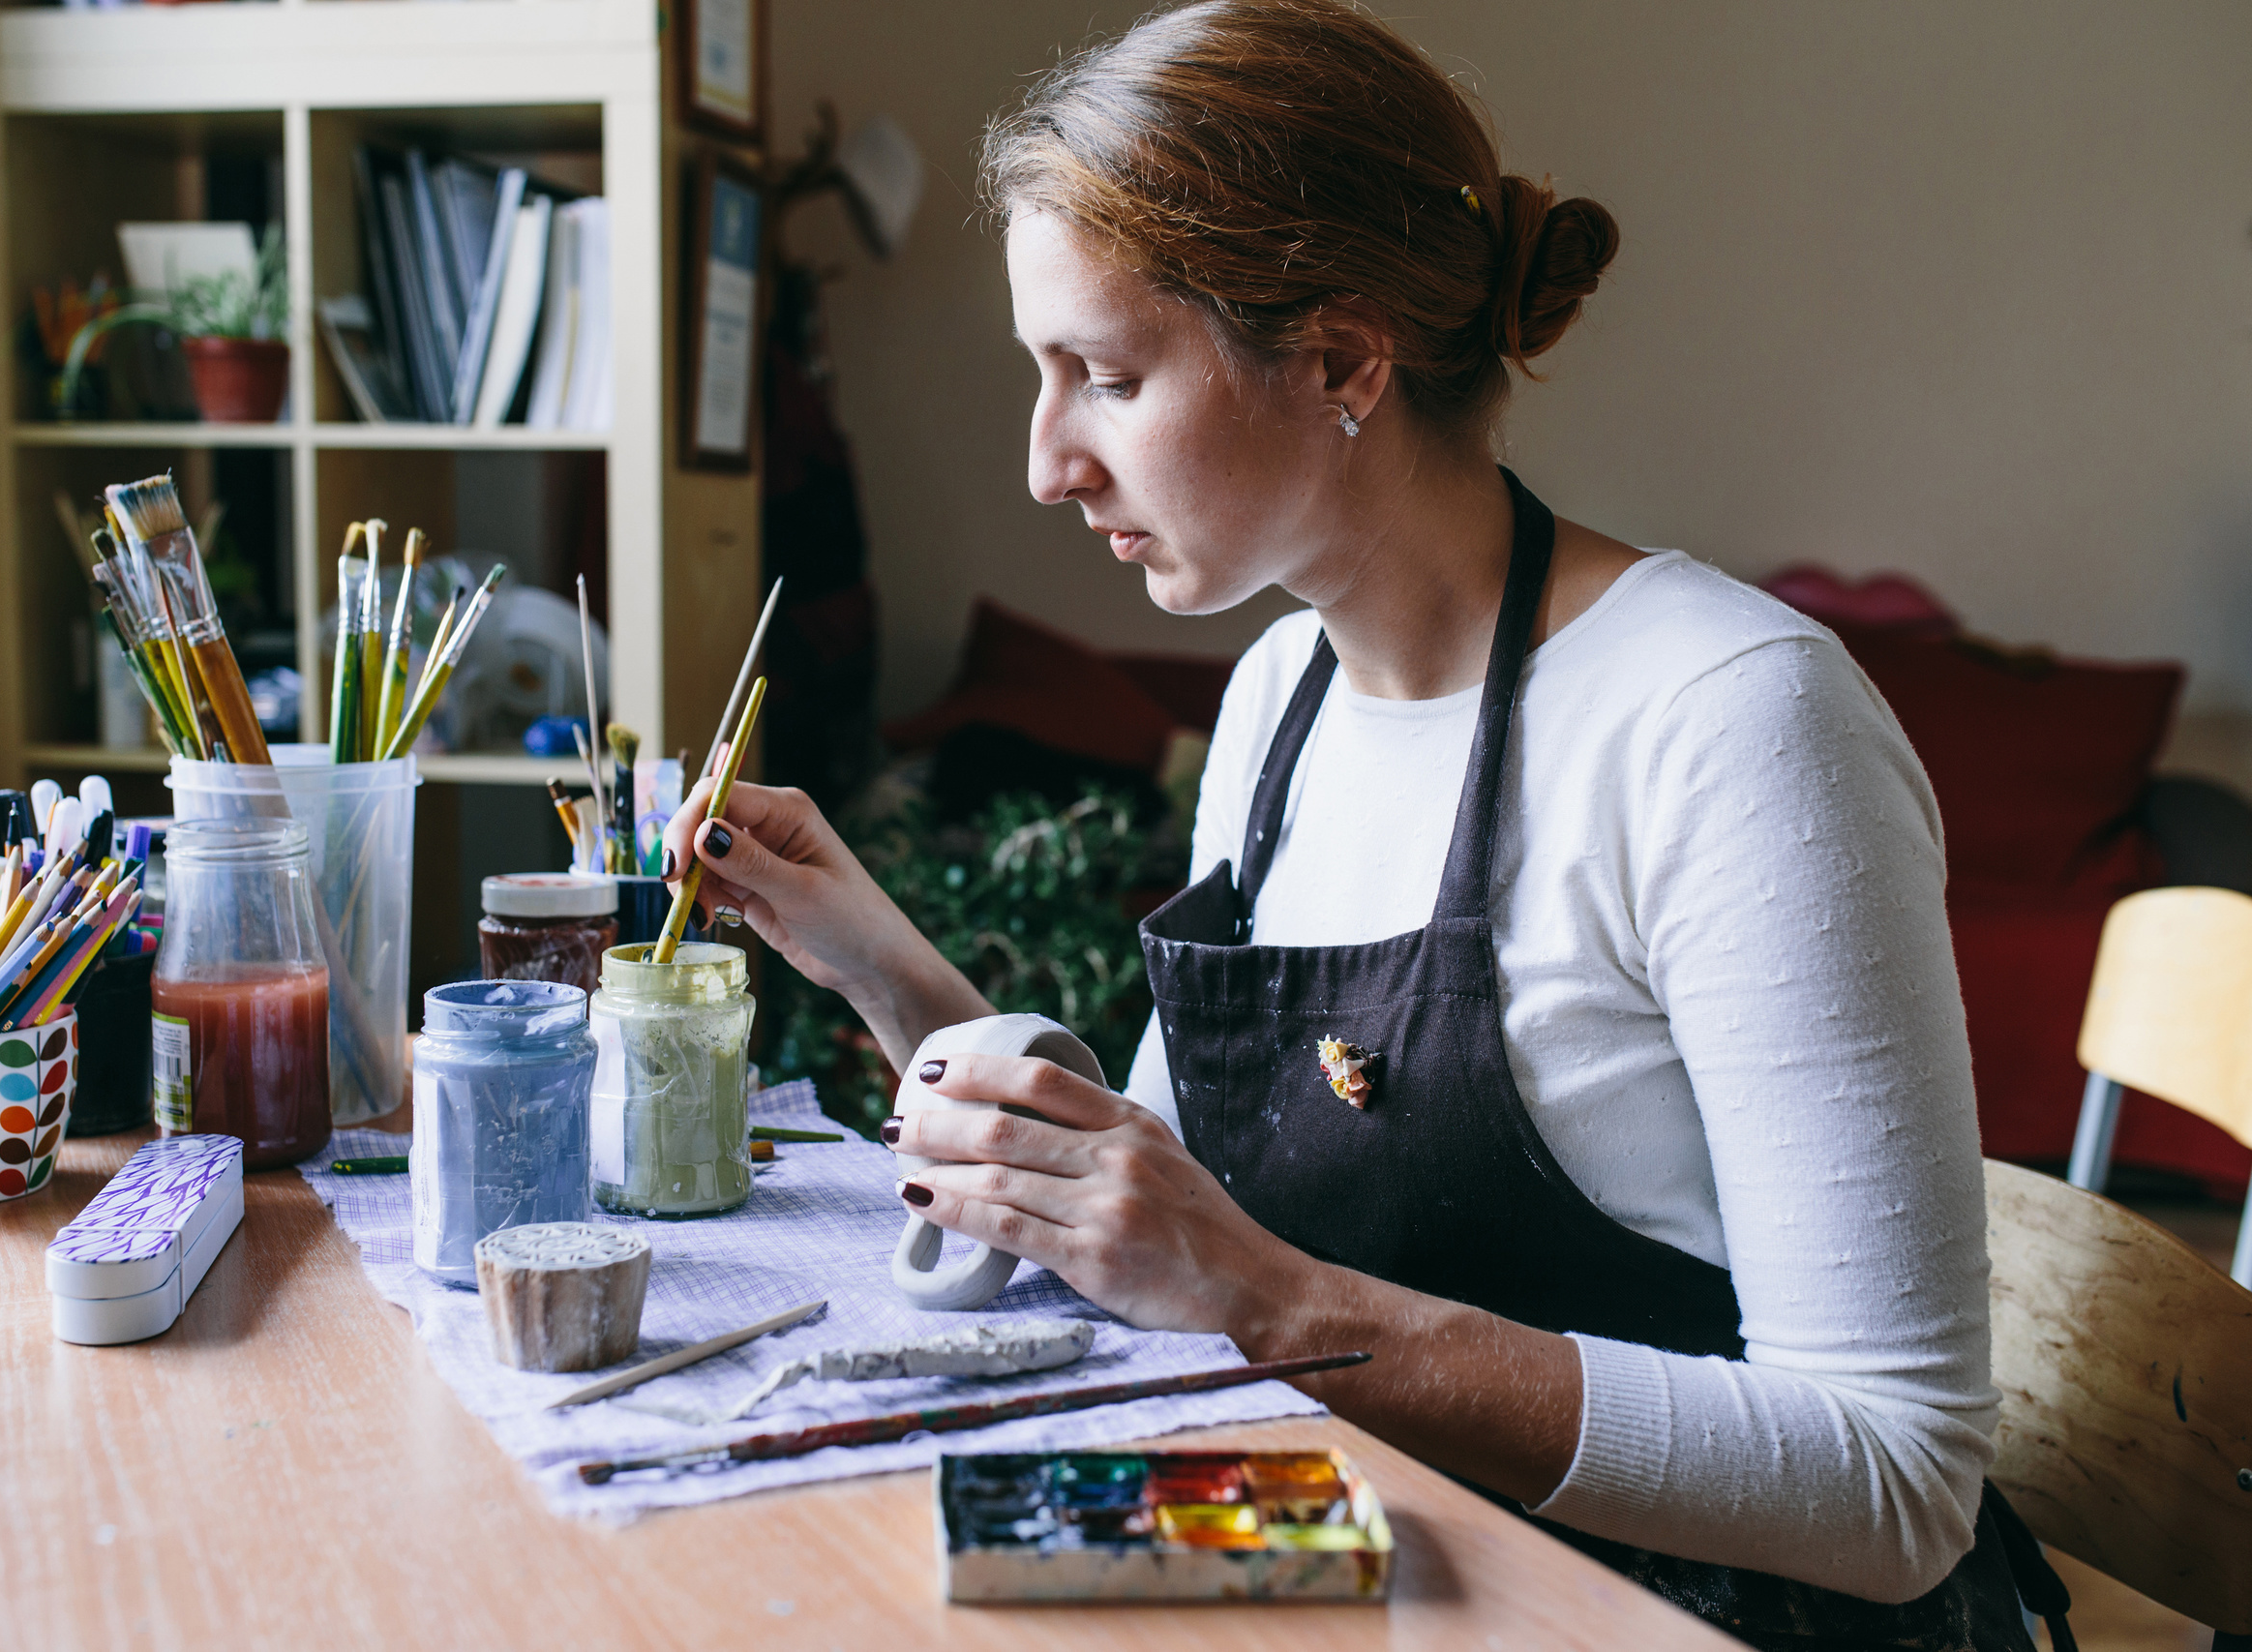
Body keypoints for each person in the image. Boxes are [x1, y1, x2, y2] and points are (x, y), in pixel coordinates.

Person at [665, 3, 2048, 1644]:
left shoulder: (1732, 723)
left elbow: (1894, 1485)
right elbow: (1164, 1218)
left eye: (1108, 377)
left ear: (1340, 361)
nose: (1049, 464)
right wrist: (882, 970)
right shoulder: (1281, 697)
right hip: (1389, 1576)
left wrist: (1269, 1302)